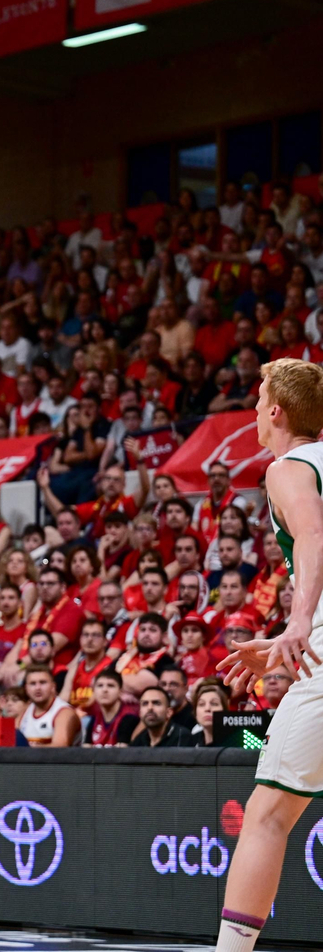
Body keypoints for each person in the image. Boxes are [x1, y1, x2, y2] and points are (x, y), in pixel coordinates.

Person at [215, 360, 323, 952]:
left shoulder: (288, 467)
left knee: (267, 816)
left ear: (276, 411)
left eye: (258, 400)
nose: (254, 410)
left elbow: (311, 534)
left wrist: (299, 624)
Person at [19, 666, 80, 746]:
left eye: (43, 682)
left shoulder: (64, 713)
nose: (38, 688)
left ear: (53, 686)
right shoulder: (24, 712)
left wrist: (26, 751)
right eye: (33, 684)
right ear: (26, 689)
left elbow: (60, 747)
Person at [127, 686, 195, 747]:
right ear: (140, 712)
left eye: (156, 703)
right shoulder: (139, 740)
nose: (150, 708)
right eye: (145, 704)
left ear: (169, 712)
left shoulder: (182, 737)